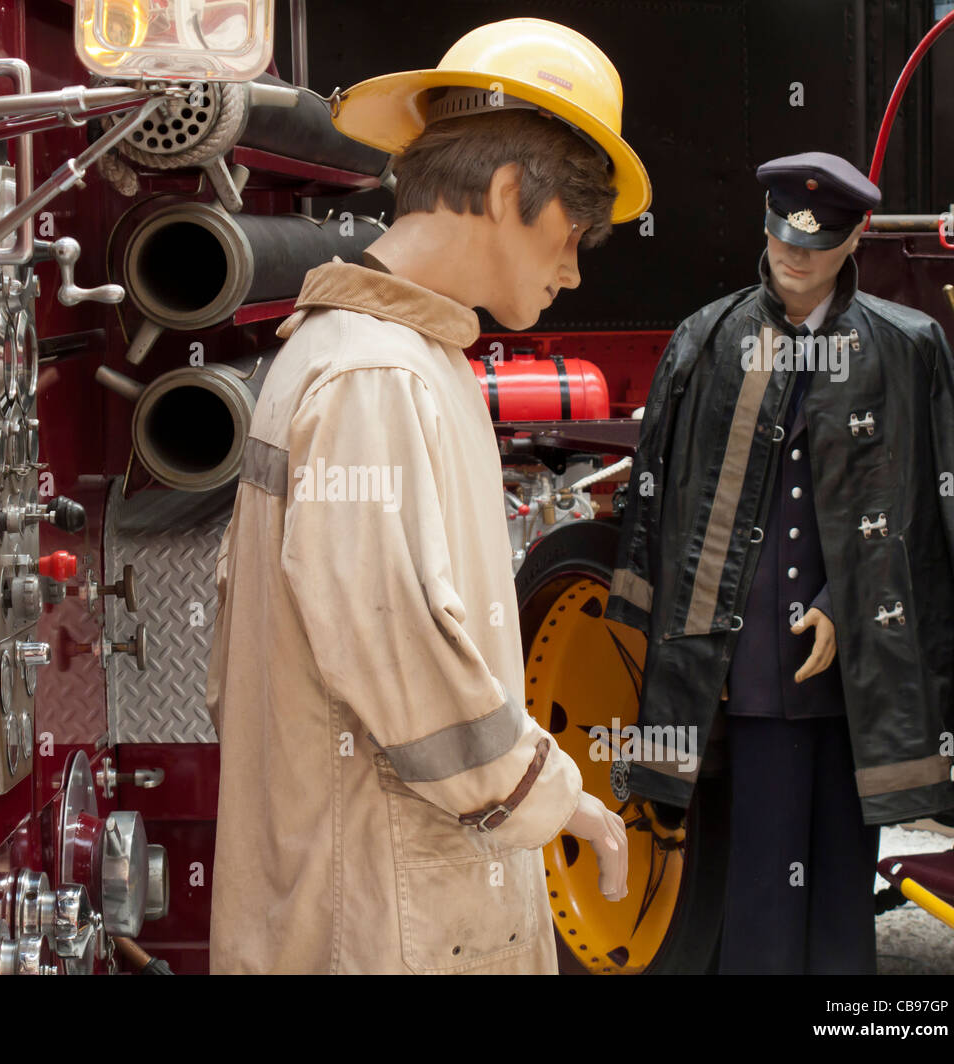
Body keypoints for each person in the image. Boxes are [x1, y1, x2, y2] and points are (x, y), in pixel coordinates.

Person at [204, 17, 651, 973]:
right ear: (503, 193)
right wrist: (558, 799)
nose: (572, 271)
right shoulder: (377, 376)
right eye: (573, 234)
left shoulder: (378, 356)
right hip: (386, 914)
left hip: (375, 889)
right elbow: (408, 668)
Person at [605, 151, 954, 973]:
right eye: (784, 233)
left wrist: (848, 599)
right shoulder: (706, 338)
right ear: (765, 223)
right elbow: (655, 493)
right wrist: (651, 617)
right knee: (760, 888)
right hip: (749, 662)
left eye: (817, 243)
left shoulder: (910, 346)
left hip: (864, 660)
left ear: (855, 239)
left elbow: (940, 503)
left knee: (844, 898)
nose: (795, 253)